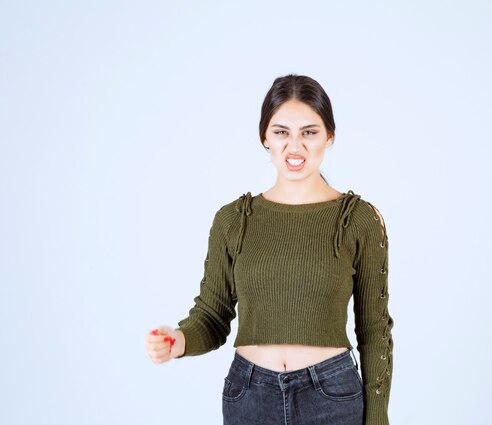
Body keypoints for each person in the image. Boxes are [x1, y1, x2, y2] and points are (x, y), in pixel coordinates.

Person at [145, 74, 394, 425]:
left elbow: (374, 331)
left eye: (309, 132)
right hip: (249, 395)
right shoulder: (233, 220)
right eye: (281, 132)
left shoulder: (358, 220)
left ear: (329, 137)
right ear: (265, 137)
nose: (295, 146)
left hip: (332, 395)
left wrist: (378, 419)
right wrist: (179, 340)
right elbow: (212, 317)